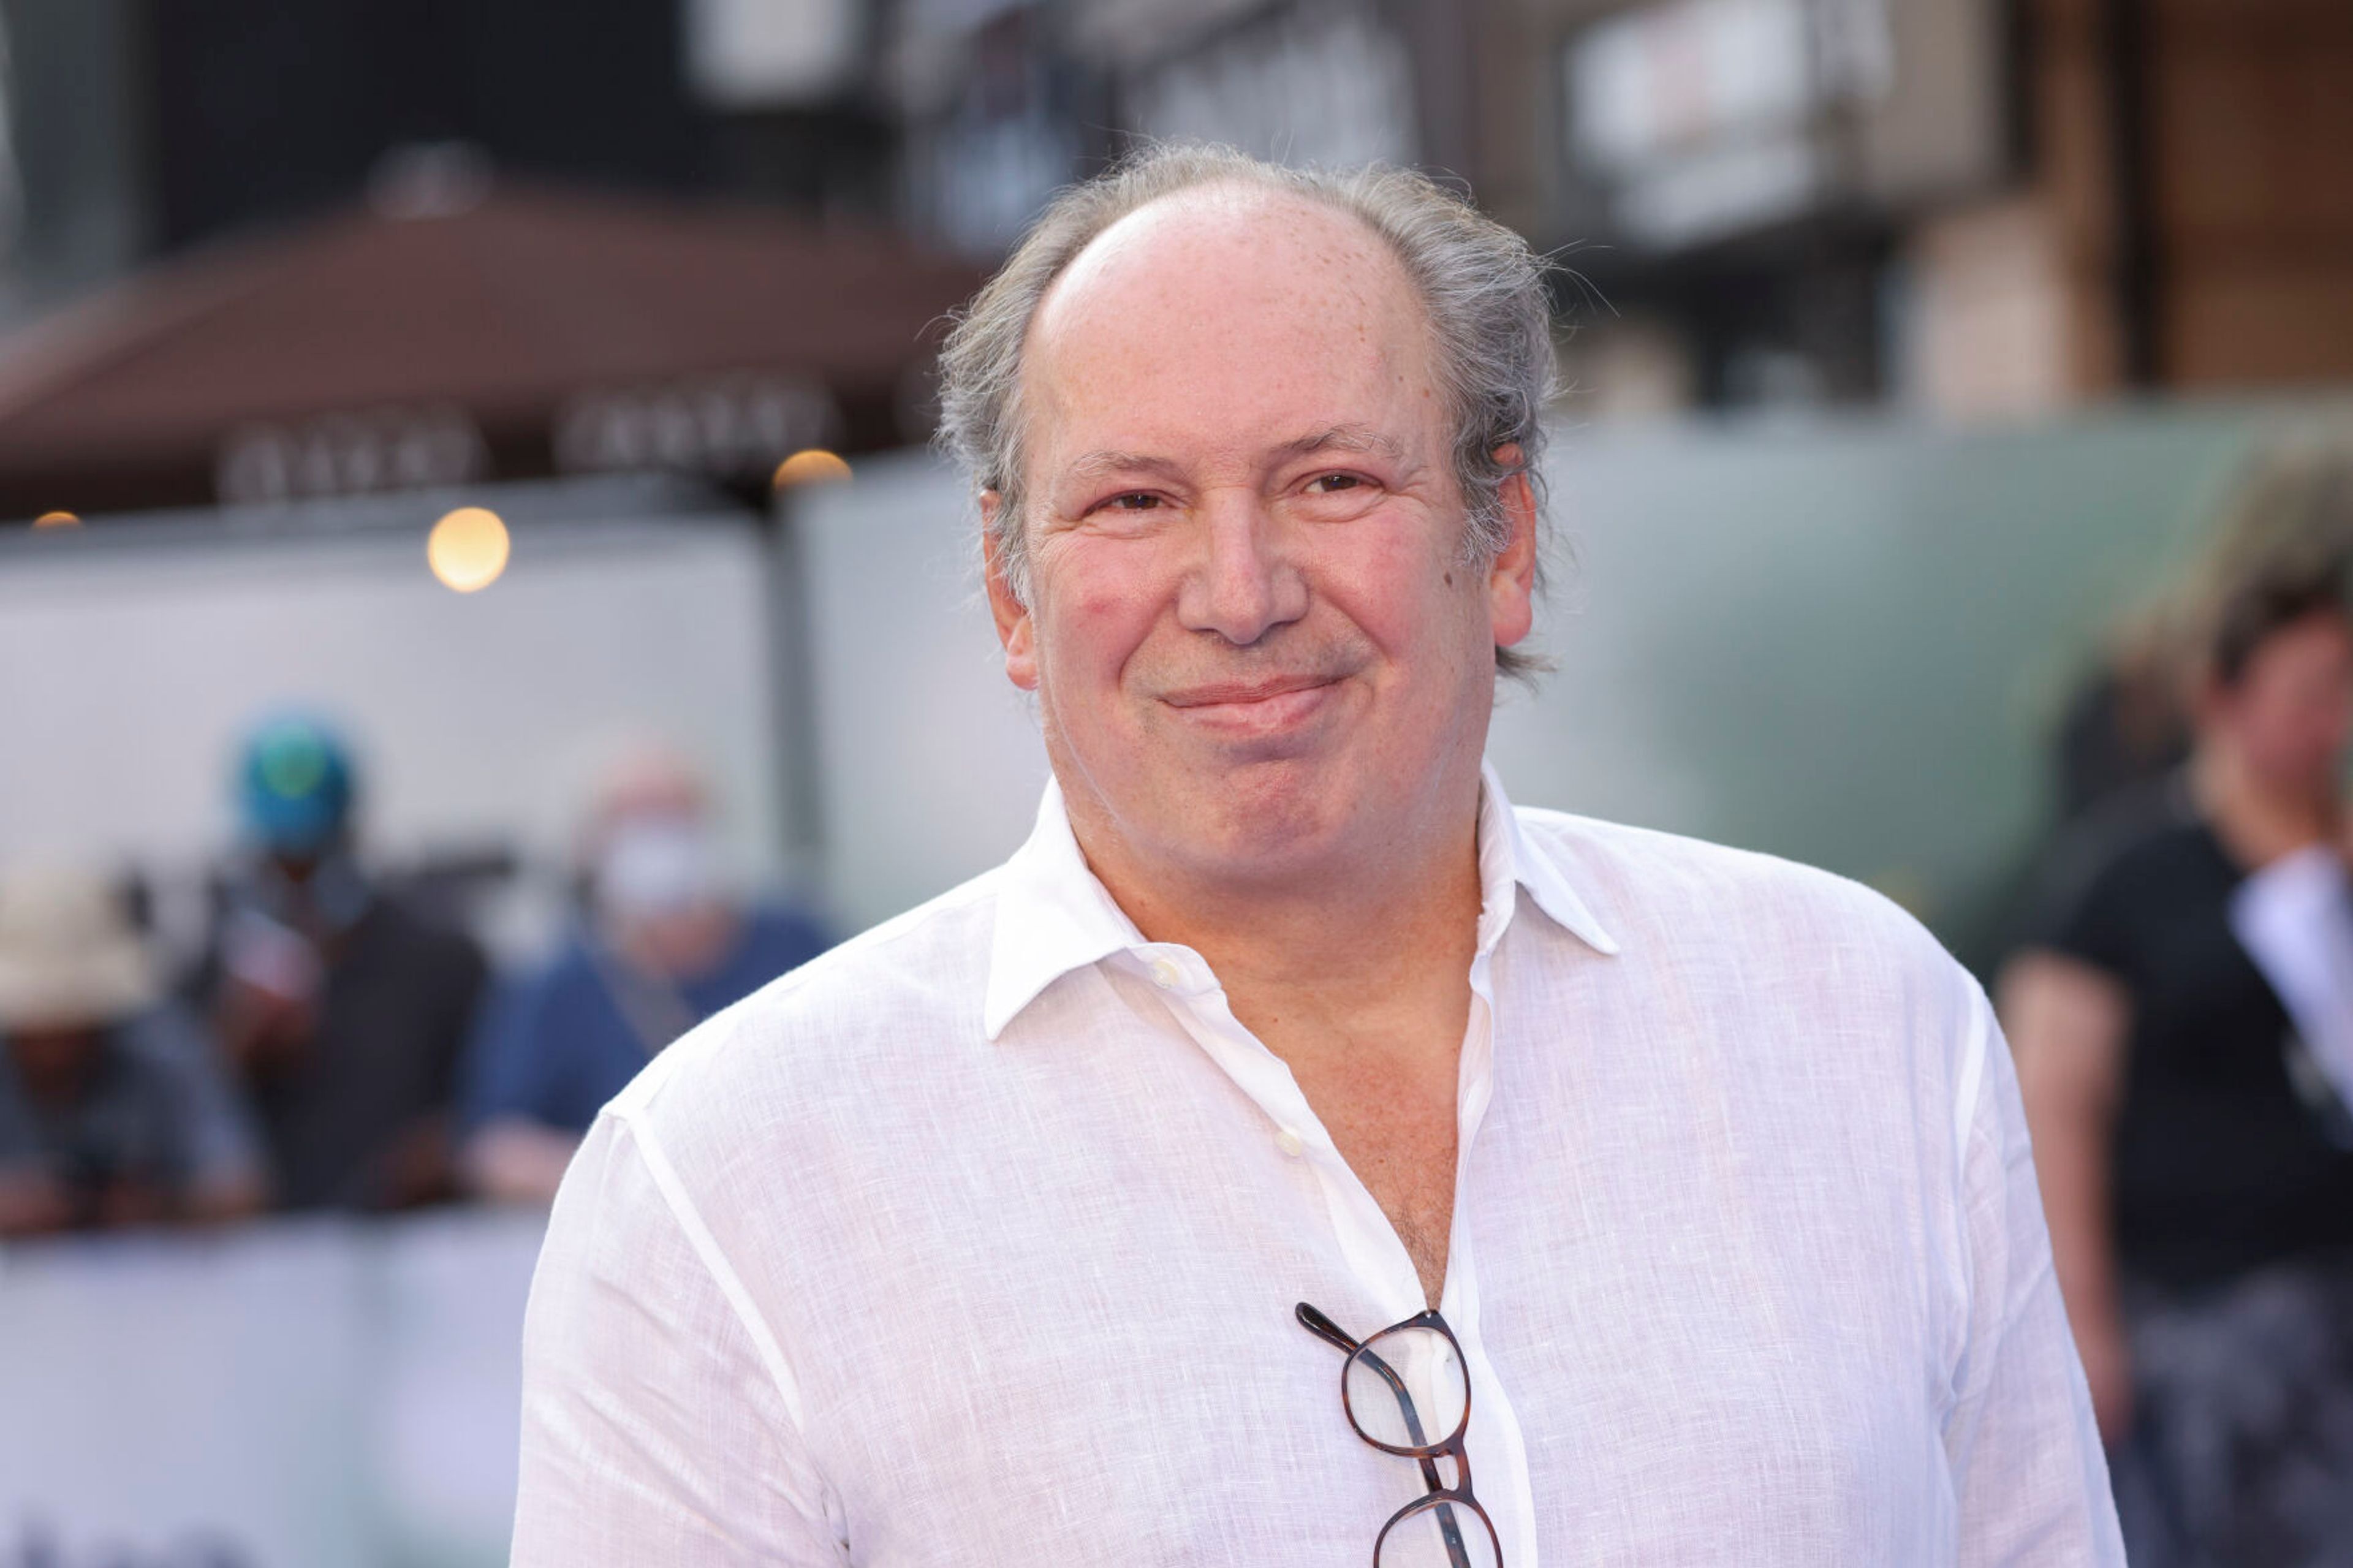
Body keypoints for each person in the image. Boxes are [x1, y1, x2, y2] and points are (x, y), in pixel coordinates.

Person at [515, 146, 2120, 1563]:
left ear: (1505, 543)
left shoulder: (1865, 1025)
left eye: (1332, 479)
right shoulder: (727, 1180)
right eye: (1135, 499)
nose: (1240, 588)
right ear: (1013, 595)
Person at [2004, 442, 2353, 1564]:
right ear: (2223, 690)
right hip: (2200, 1315)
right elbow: (2055, 1094)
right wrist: (2081, 1320)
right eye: (2308, 691)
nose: (2328, 722)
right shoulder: (2128, 873)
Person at [458, 748, 831, 1203]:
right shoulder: (558, 984)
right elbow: (498, 1150)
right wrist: (639, 1180)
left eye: (675, 816)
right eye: (636, 822)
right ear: (591, 846)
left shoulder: (795, 943)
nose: (658, 838)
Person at [187, 714, 488, 1212]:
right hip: (265, 1256)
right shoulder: (210, 978)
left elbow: (488, 1107)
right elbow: (181, 1128)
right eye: (281, 857)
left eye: (314, 853)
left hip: (412, 1248)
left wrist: (444, 1152)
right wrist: (237, 1049)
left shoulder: (441, 962)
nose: (298, 877)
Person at [0, 864, 265, 1234]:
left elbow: (241, 1187)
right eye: (39, 1023)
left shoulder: (160, 1045)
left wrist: (160, 1208)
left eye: (72, 1019)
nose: (55, 1046)